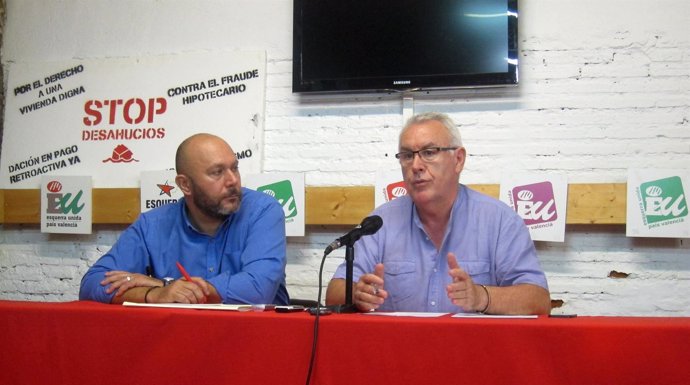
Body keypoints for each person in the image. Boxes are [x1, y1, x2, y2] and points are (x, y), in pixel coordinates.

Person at [325, 112, 551, 314]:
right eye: (407, 155)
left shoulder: (500, 221)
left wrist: (481, 296)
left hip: (472, 356)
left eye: (429, 152)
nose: (416, 165)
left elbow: (538, 299)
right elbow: (334, 292)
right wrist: (357, 295)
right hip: (397, 355)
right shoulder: (381, 222)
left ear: (458, 160)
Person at [80, 133, 289, 305]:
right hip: (179, 342)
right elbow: (92, 284)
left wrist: (163, 285)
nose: (233, 180)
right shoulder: (153, 225)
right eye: (217, 172)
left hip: (254, 340)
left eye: (234, 167)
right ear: (185, 185)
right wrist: (153, 295)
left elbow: (257, 290)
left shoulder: (263, 211)